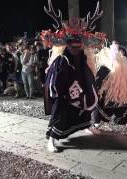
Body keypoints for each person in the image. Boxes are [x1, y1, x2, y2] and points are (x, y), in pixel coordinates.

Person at [42, 0, 105, 152]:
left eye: (79, 44)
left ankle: (86, 126)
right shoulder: (62, 60)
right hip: (64, 94)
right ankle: (51, 139)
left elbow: (86, 74)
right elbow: (56, 81)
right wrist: (60, 92)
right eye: (72, 44)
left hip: (79, 90)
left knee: (85, 107)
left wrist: (90, 87)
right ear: (67, 44)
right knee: (60, 113)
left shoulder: (83, 57)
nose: (76, 47)